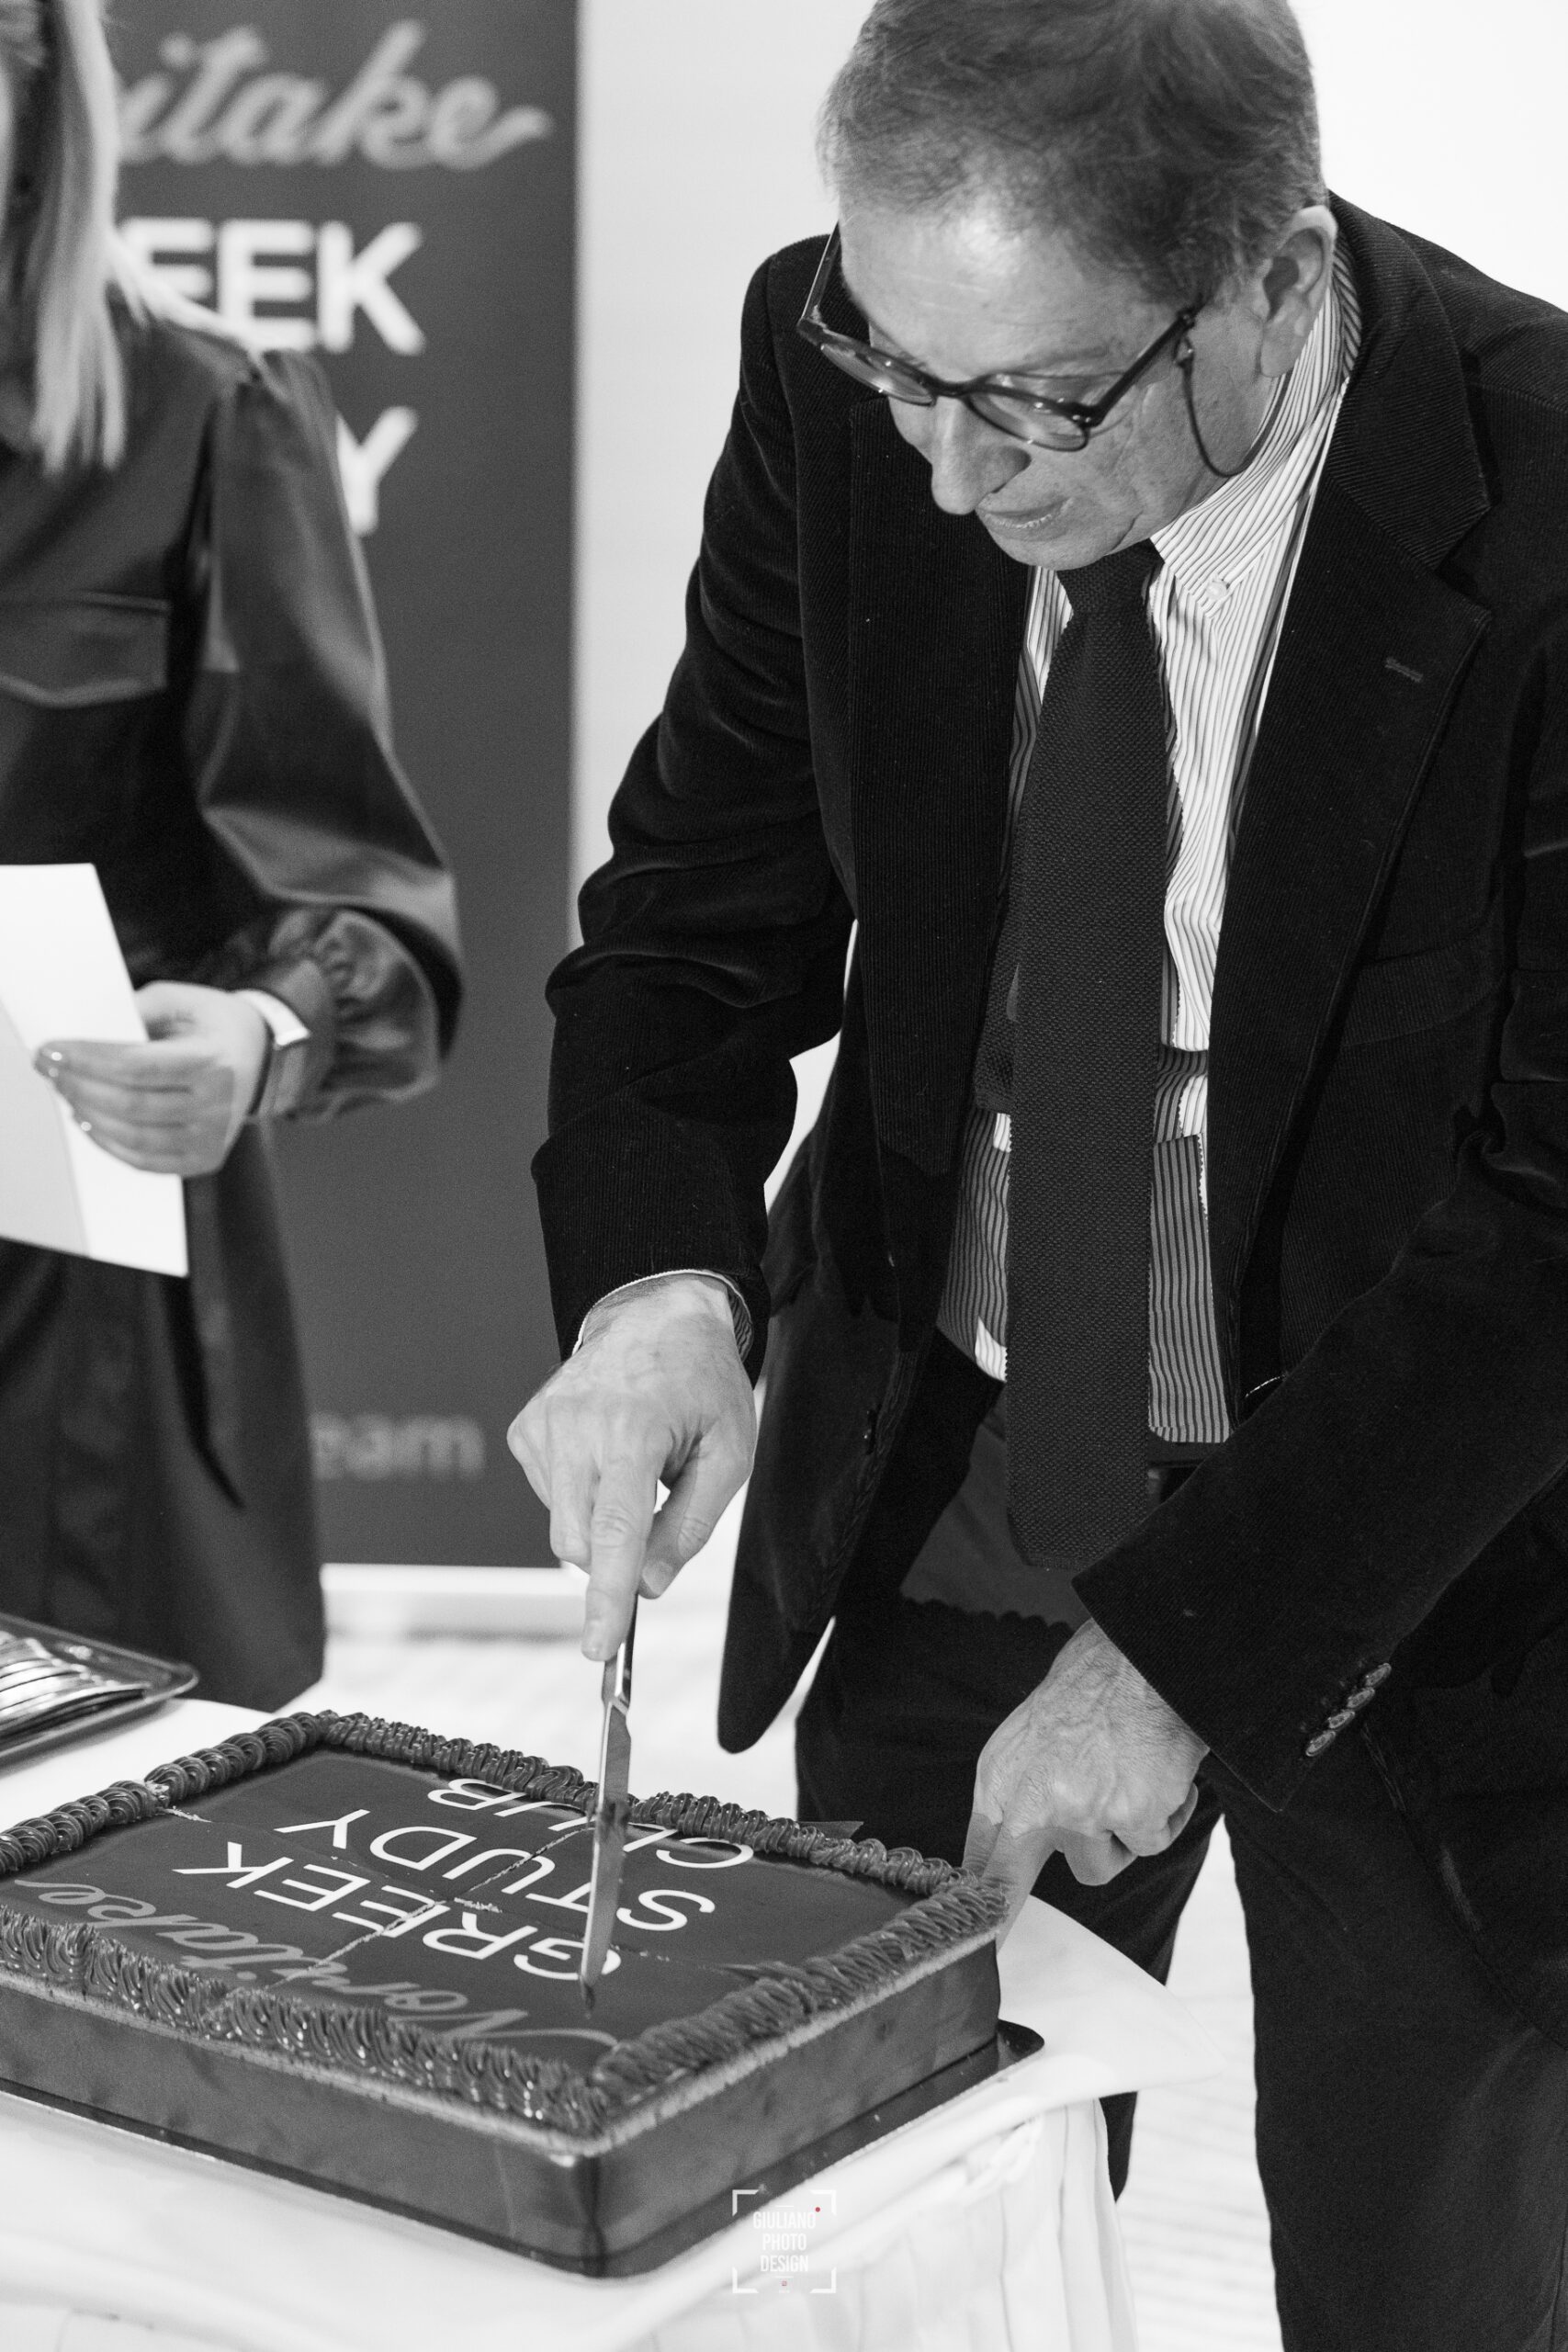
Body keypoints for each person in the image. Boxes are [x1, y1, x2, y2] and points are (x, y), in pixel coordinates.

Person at [514, 1, 1568, 2342]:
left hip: (1427, 1547)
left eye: (1038, 402)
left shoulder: (1544, 502)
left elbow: (1550, 1218)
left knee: (1420, 2277)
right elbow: (694, 907)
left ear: (1269, 276)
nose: (947, 475)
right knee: (892, 2241)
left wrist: (1186, 1646)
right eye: (897, 370)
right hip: (968, 1460)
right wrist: (658, 1283)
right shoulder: (848, 382)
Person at [0, 0, 460, 1706]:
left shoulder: (202, 410)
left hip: (64, 1331)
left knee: (90, 1840)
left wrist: (257, 1040)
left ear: (31, 93)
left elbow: (363, 915)